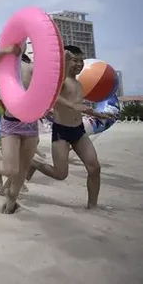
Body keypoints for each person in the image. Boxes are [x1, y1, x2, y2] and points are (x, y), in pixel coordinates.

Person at [26, 45, 113, 209]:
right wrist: (72, 105)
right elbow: (53, 96)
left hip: (78, 130)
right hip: (62, 131)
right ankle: (34, 164)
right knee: (60, 174)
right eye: (75, 60)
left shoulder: (79, 84)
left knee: (94, 168)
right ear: (66, 60)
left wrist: (98, 114)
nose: (79, 64)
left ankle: (92, 206)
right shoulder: (60, 81)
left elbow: (80, 107)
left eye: (81, 60)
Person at [0, 45, 39, 213]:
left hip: (30, 124)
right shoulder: (2, 66)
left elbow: (50, 83)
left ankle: (11, 202)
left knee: (22, 169)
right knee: (10, 169)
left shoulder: (31, 67)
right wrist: (6, 51)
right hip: (11, 123)